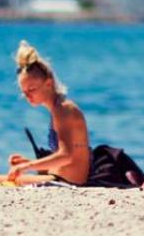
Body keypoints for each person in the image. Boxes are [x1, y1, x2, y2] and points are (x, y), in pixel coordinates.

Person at [5, 41, 91, 185]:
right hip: (60, 177)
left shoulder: (62, 109)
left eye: (31, 90)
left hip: (66, 182)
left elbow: (66, 156)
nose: (27, 96)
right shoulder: (59, 107)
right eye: (24, 92)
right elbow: (67, 158)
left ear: (49, 83)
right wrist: (31, 162)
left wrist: (27, 166)